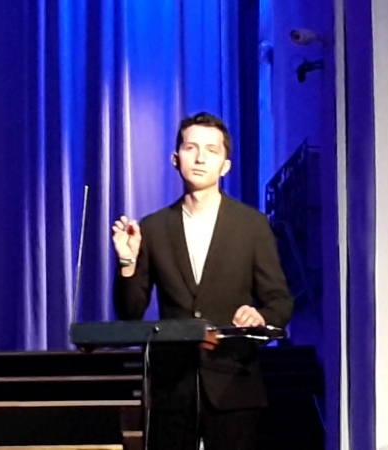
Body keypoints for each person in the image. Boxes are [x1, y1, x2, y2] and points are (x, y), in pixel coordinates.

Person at [111, 112, 294, 450]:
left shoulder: (251, 225)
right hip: (171, 390)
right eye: (191, 148)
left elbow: (280, 301)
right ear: (175, 158)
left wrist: (260, 317)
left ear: (225, 165)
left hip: (233, 384)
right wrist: (127, 261)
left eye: (211, 150)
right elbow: (130, 313)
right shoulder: (153, 228)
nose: (200, 158)